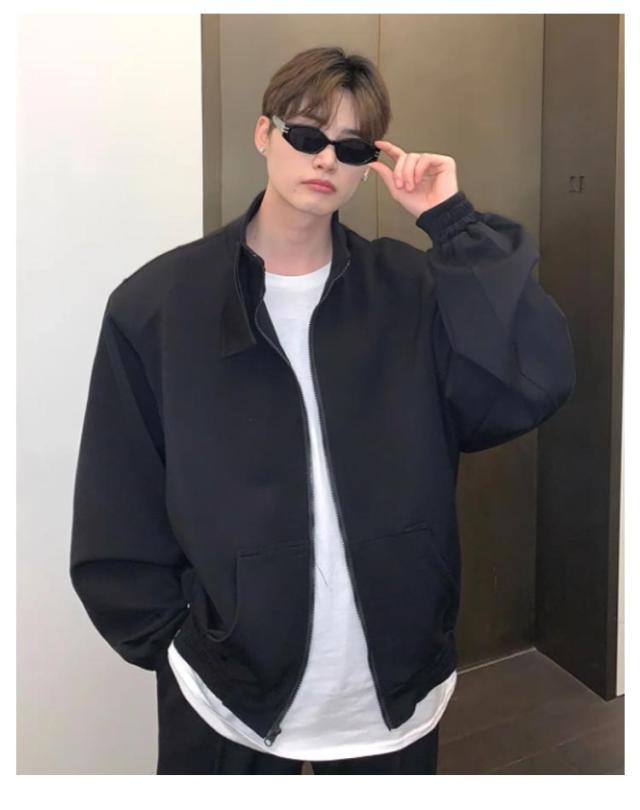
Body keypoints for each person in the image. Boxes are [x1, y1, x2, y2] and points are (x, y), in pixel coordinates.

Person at [69, 46, 576, 775]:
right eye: (306, 135)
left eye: (353, 147)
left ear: (370, 162)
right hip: (227, 689)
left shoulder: (410, 289)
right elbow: (119, 493)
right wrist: (174, 642)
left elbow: (534, 379)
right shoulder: (160, 305)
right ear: (263, 133)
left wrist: (452, 223)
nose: (326, 159)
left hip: (396, 677)